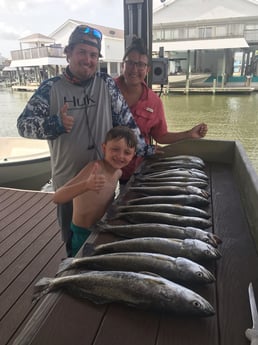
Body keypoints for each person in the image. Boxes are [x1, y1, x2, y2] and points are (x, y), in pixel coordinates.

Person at [16, 25, 155, 256]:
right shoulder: (50, 88)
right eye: (82, 52)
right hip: (68, 183)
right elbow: (23, 125)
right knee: (74, 246)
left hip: (102, 182)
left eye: (93, 55)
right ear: (68, 53)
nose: (88, 60)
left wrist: (148, 151)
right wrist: (55, 124)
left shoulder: (106, 84)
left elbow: (127, 122)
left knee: (102, 242)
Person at [115, 37, 208, 183]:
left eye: (140, 65)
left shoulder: (154, 101)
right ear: (122, 65)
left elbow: (161, 136)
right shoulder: (105, 90)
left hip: (135, 171)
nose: (134, 69)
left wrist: (189, 134)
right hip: (105, 167)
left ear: (147, 69)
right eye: (130, 63)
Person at [53, 126, 137, 256]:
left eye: (127, 152)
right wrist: (86, 185)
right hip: (82, 233)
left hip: (100, 230)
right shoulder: (94, 168)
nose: (120, 156)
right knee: (78, 267)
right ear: (104, 148)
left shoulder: (118, 173)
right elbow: (57, 197)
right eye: (115, 149)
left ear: (133, 155)